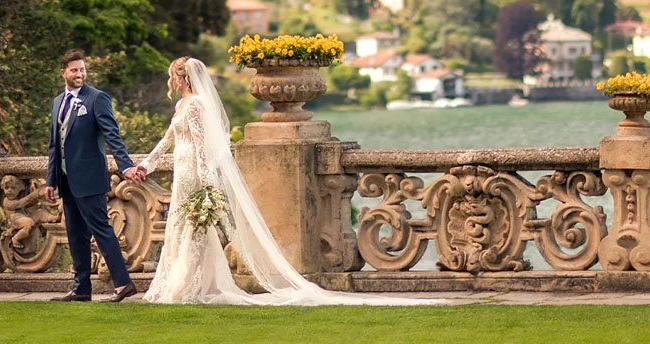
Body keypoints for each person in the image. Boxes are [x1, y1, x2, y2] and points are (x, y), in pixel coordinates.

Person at [125, 56, 429, 305]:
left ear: (180, 78)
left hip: (193, 169)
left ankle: (189, 284)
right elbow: (167, 140)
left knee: (194, 225)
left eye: (173, 76)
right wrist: (145, 166)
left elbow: (204, 146)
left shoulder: (196, 106)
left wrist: (207, 184)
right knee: (182, 226)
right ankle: (187, 282)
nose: (172, 81)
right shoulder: (181, 105)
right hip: (181, 169)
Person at [45, 50, 140, 301]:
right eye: (74, 70)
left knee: (101, 230)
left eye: (82, 69)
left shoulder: (97, 98)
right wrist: (51, 180)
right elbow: (55, 145)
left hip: (90, 178)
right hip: (66, 180)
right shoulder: (57, 102)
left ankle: (123, 284)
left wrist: (126, 165)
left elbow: (112, 135)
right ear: (63, 72)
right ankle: (81, 288)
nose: (80, 74)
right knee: (75, 234)